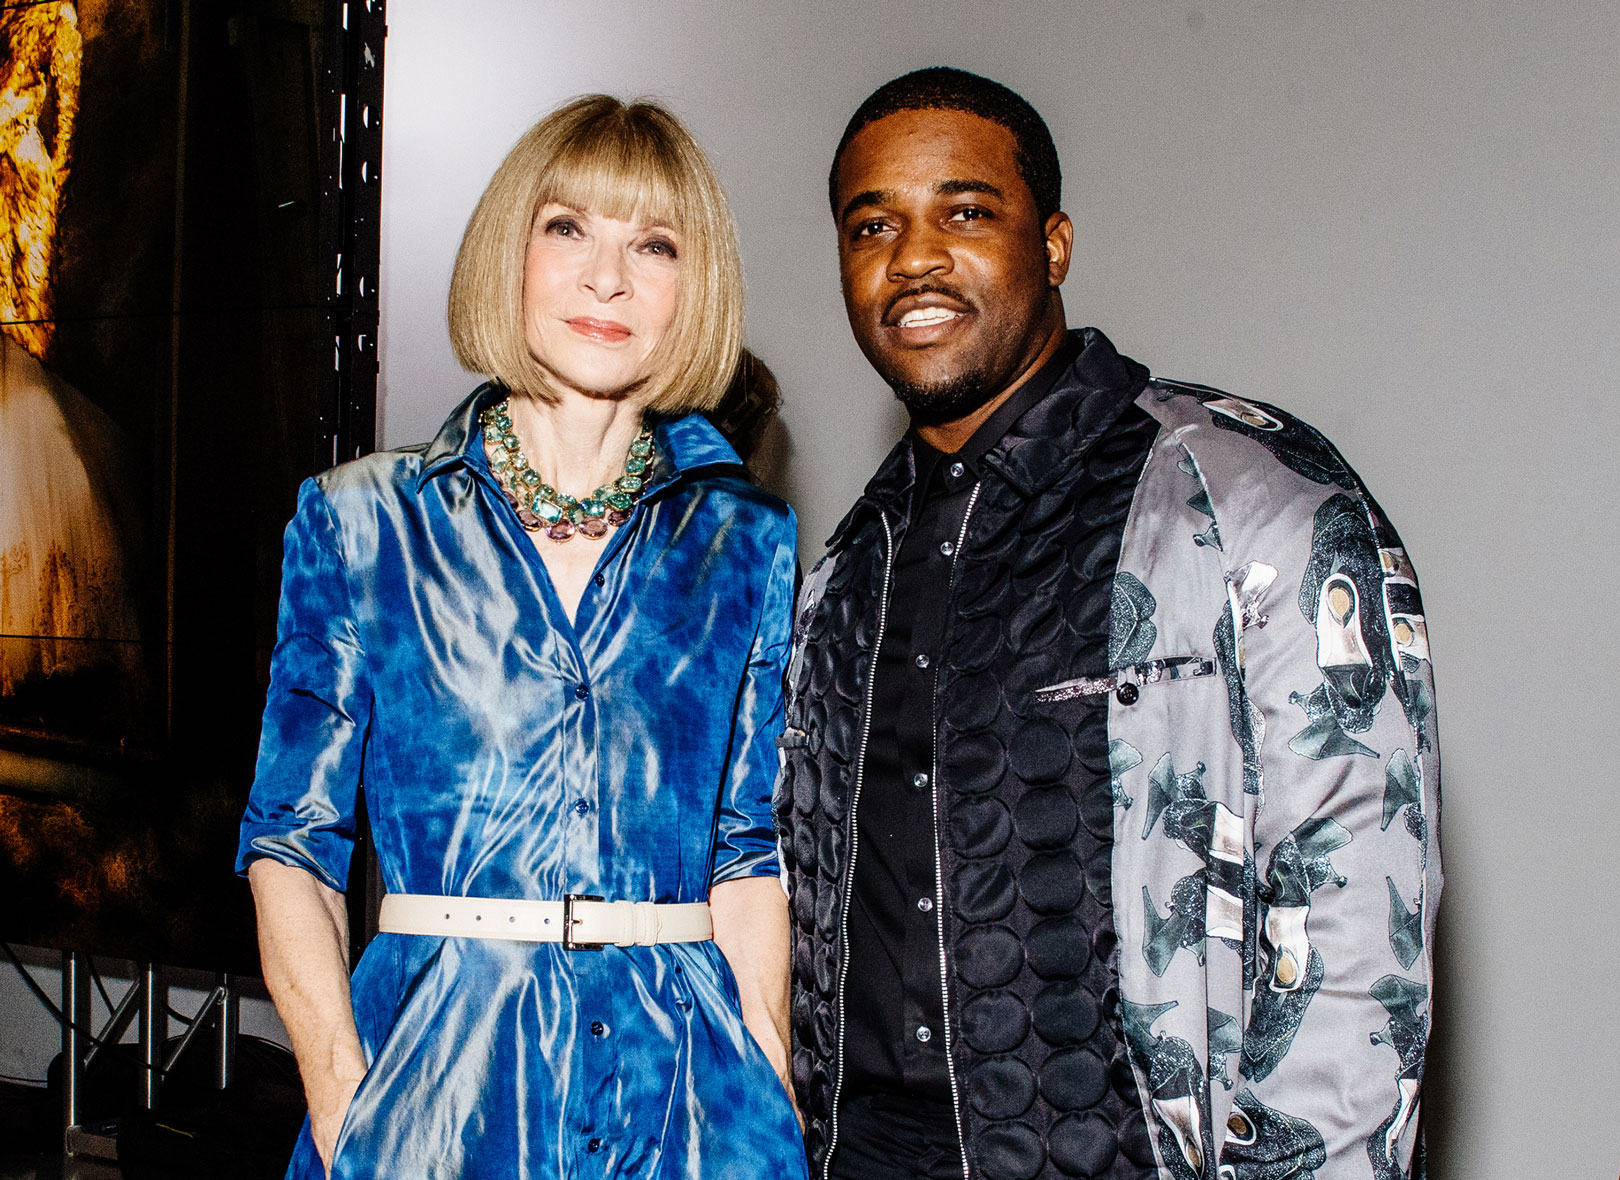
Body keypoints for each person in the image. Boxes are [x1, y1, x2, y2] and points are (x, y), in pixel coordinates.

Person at [776, 67, 1440, 1180]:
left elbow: (1359, 944)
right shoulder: (845, 566)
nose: (914, 258)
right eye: (871, 225)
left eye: (966, 211)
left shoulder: (1249, 500)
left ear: (1055, 244)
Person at [238, 95, 807, 1180]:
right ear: (512, 249)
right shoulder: (361, 519)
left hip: (690, 1106)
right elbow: (291, 847)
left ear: (695, 286)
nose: (609, 278)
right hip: (431, 1095)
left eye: (654, 243)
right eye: (568, 229)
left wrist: (765, 1082)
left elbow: (745, 851)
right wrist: (343, 1102)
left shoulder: (747, 539)